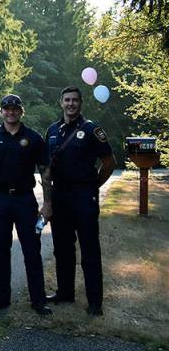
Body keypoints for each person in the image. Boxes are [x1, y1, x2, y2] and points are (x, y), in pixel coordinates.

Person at [0, 94, 52, 315]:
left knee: (32, 250)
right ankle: (2, 296)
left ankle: (38, 299)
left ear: (21, 111)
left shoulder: (33, 137)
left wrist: (48, 204)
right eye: (7, 109)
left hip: (24, 199)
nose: (11, 112)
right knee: (0, 250)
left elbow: (46, 171)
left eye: (15, 109)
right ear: (1, 112)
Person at [44, 86, 115, 316]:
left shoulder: (92, 129)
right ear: (60, 102)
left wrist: (94, 186)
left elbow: (109, 162)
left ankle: (95, 302)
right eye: (67, 100)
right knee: (62, 249)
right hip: (60, 196)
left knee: (90, 251)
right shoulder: (53, 130)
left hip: (84, 195)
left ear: (81, 103)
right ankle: (65, 292)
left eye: (75, 100)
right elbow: (47, 166)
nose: (71, 104)